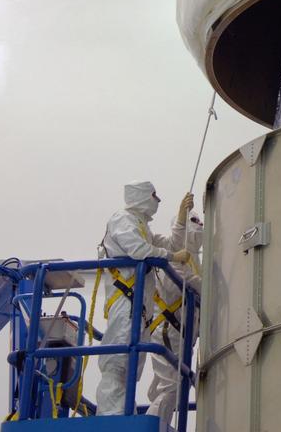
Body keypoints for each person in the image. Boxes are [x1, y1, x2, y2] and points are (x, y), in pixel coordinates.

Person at [96, 181, 192, 416]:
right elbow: (139, 250)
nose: (158, 200)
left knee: (131, 364)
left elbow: (170, 244)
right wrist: (171, 256)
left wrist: (181, 217)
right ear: (140, 196)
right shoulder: (122, 219)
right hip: (125, 302)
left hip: (138, 307)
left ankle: (121, 414)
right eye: (154, 195)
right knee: (118, 361)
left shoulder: (142, 227)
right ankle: (111, 418)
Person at [145, 211, 203, 431]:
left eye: (200, 221)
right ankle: (152, 426)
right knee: (171, 386)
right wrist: (206, 285)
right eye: (194, 222)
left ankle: (155, 422)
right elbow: (177, 282)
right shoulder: (173, 254)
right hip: (170, 329)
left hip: (181, 333)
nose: (200, 225)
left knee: (169, 384)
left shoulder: (195, 259)